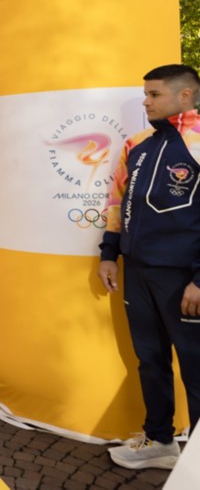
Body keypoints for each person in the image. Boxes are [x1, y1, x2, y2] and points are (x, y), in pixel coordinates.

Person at [98, 64, 200, 470]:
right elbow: (117, 200)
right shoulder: (137, 144)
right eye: (146, 94)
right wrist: (109, 253)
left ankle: (195, 460)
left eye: (154, 94)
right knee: (150, 359)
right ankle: (160, 441)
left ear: (185, 96)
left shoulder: (197, 141)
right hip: (137, 273)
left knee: (195, 368)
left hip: (183, 278)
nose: (146, 101)